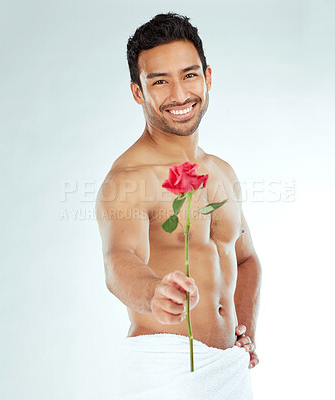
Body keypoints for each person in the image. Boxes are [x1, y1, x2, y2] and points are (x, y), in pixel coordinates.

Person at [96, 13, 262, 400]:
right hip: (165, 367)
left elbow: (246, 259)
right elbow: (118, 260)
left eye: (188, 75)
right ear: (138, 92)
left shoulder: (221, 171)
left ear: (207, 76)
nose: (179, 94)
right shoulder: (129, 178)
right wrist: (153, 292)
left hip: (230, 369)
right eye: (159, 81)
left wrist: (245, 328)